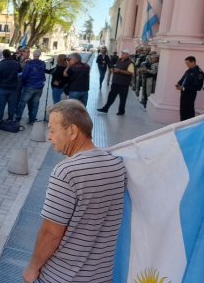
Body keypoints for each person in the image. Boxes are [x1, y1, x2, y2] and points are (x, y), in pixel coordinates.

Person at [23, 100, 126, 283]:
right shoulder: (117, 164)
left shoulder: (66, 172)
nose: (49, 137)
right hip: (101, 276)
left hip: (63, 276)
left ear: (72, 131)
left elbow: (51, 233)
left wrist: (32, 267)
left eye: (53, 130)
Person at [97, 49, 135, 116]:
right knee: (111, 96)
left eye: (124, 53)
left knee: (122, 99)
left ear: (128, 55)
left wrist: (120, 71)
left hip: (124, 84)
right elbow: (114, 66)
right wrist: (112, 69)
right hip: (115, 82)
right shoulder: (119, 60)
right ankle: (105, 109)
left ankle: (121, 111)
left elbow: (130, 72)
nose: (122, 54)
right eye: (122, 53)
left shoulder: (130, 63)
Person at [15, 49, 46, 125]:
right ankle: (32, 120)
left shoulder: (29, 63)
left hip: (29, 86)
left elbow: (24, 75)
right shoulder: (43, 64)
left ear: (33, 55)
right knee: (35, 104)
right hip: (39, 87)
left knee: (22, 103)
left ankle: (17, 119)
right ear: (40, 55)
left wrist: (25, 83)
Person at [0, 49, 22, 123]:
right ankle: (10, 120)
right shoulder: (16, 64)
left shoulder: (0, 64)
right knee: (11, 105)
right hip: (13, 88)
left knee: (1, 105)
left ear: (3, 55)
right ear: (10, 54)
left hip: (2, 88)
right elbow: (20, 75)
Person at [175, 56, 204, 121]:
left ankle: (189, 125)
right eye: (186, 64)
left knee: (189, 111)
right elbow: (183, 79)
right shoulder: (188, 70)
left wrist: (183, 88)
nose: (187, 65)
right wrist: (179, 84)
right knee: (183, 110)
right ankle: (182, 124)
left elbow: (197, 87)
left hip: (190, 94)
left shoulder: (199, 73)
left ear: (193, 62)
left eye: (188, 63)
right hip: (183, 93)